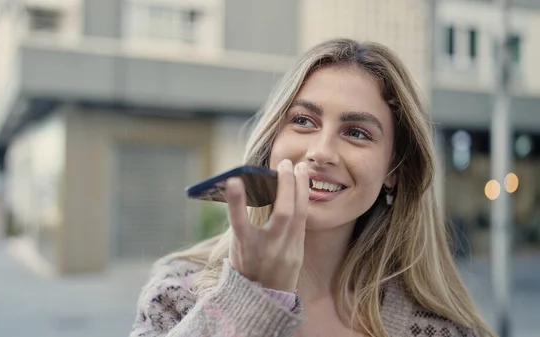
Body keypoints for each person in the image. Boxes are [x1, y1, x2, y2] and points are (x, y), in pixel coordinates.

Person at [128, 38, 497, 337]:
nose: (321, 152)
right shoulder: (177, 292)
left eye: (356, 132)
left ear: (394, 170)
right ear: (271, 142)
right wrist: (250, 297)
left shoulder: (440, 329)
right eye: (303, 121)